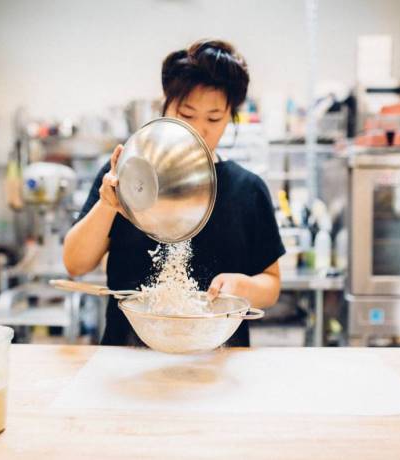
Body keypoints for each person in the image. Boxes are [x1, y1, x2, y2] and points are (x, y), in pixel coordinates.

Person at [63, 39, 285, 346]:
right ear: (165, 107)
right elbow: (75, 264)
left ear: (230, 117)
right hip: (127, 357)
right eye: (186, 114)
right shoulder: (126, 175)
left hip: (217, 358)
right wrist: (107, 204)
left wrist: (242, 286)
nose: (199, 129)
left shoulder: (247, 189)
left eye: (214, 118)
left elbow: (271, 284)